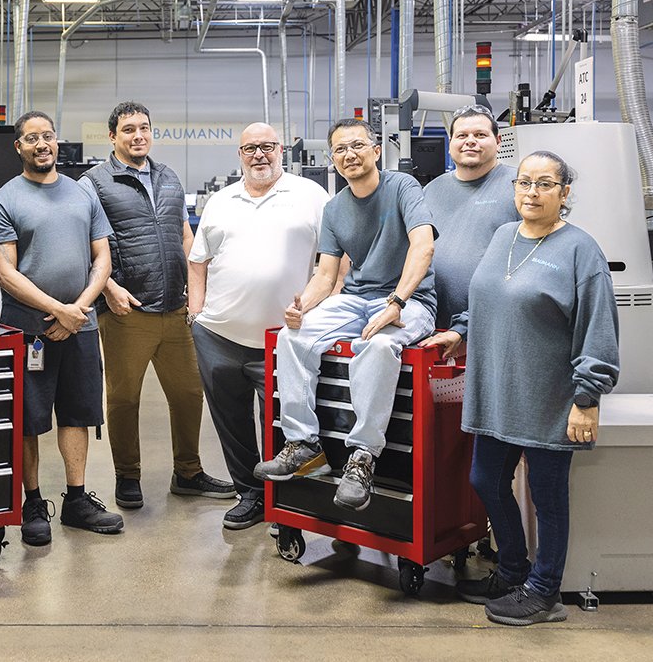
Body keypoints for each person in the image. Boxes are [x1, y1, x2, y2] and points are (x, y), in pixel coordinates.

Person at [424, 151, 619, 626]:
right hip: (496, 389)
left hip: (550, 396)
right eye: (524, 182)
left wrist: (587, 399)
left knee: (546, 496)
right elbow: (485, 298)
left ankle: (545, 592)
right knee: (485, 480)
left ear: (564, 193)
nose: (532, 192)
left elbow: (598, 329)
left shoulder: (581, 250)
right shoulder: (503, 236)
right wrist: (459, 331)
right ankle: (513, 571)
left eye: (545, 184)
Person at [254, 118, 436, 513]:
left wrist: (397, 302)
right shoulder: (334, 207)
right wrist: (301, 307)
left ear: (376, 150)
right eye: (340, 149)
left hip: (411, 300)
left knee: (379, 346)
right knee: (292, 337)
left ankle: (363, 457)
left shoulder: (403, 187)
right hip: (356, 299)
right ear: (332, 158)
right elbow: (325, 275)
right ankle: (303, 444)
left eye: (357, 145)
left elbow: (423, 245)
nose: (349, 154)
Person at [79, 101, 235, 510]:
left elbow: (184, 234)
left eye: (144, 127)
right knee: (124, 398)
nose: (138, 135)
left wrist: (195, 290)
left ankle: (188, 472)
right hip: (127, 309)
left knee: (189, 393)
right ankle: (127, 475)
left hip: (175, 307)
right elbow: (84, 245)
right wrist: (108, 289)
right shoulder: (93, 183)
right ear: (112, 136)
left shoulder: (168, 177)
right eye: (128, 129)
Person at [0, 110, 124, 545]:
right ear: (19, 147)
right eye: (31, 138)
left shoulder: (82, 193)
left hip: (81, 327)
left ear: (56, 141)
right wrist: (57, 311)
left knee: (78, 413)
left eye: (47, 136)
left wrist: (77, 311)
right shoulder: (5, 200)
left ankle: (77, 500)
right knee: (28, 420)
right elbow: (5, 273)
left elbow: (102, 258)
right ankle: (31, 503)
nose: (42, 144)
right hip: (30, 331)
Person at [188, 122, 330, 529]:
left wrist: (320, 313)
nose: (259, 155)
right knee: (231, 423)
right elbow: (197, 261)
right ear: (240, 155)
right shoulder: (221, 201)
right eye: (250, 148)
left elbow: (335, 262)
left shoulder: (311, 195)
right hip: (218, 335)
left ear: (281, 150)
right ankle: (250, 495)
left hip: (284, 339)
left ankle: (284, 503)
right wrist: (195, 315)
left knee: (284, 423)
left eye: (267, 146)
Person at [422, 104, 519, 343]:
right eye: (462, 135)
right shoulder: (431, 190)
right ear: (450, 143)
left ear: (498, 142)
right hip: (433, 325)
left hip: (497, 326)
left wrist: (466, 324)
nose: (470, 141)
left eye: (480, 135)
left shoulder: (521, 187)